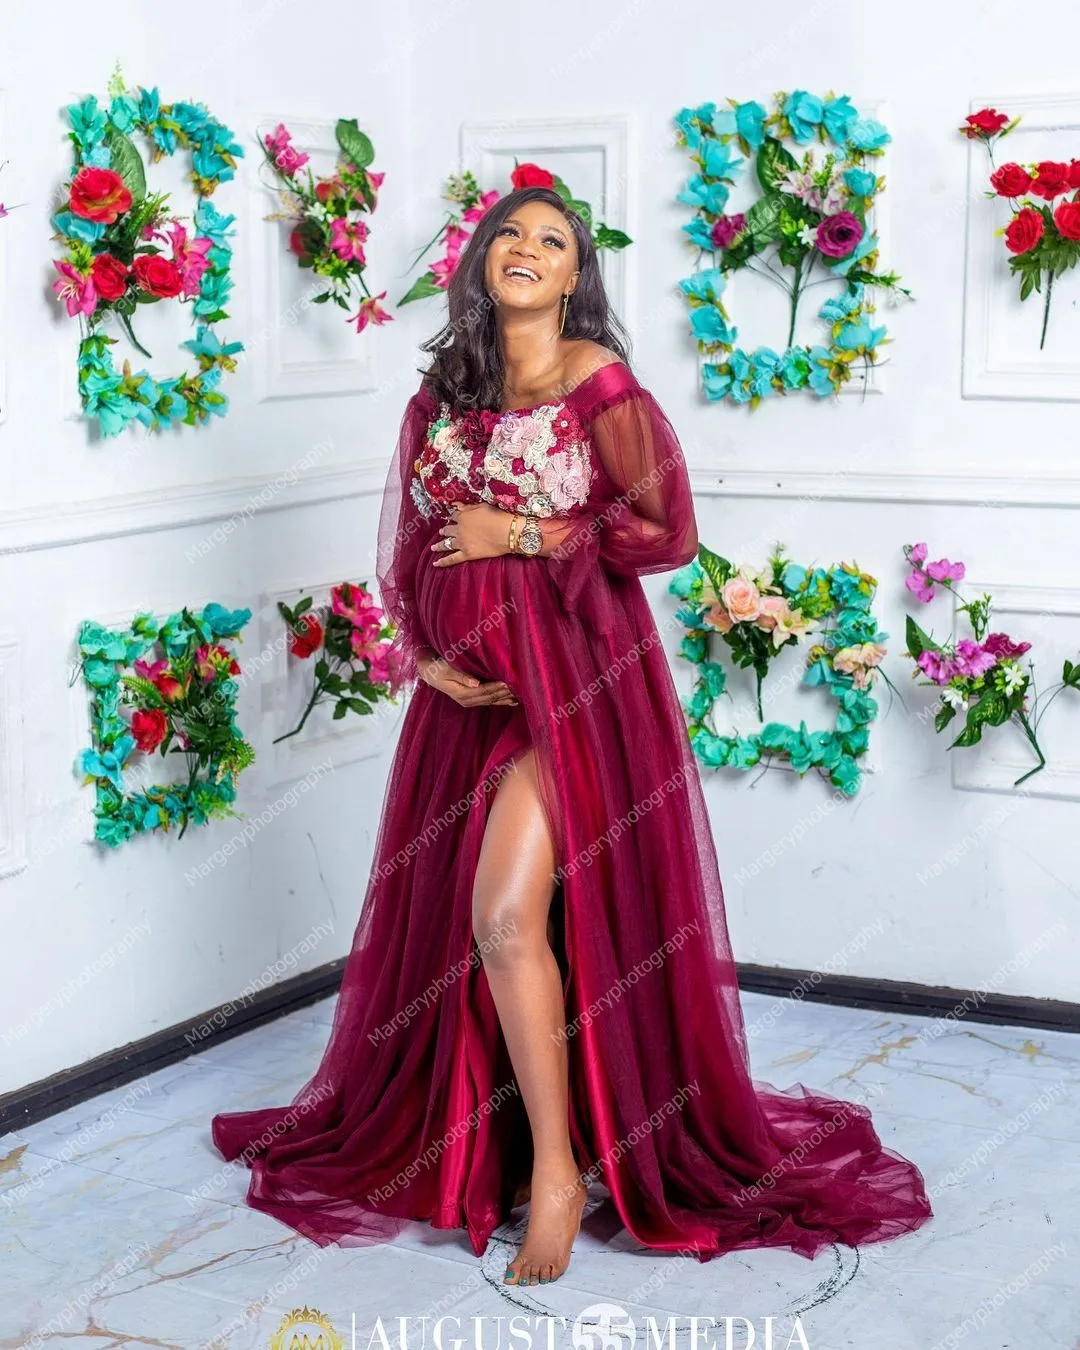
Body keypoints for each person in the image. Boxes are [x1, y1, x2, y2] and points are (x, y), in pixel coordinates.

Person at [211, 186, 932, 1289]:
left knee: (505, 918)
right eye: (511, 232)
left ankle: (558, 1169)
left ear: (574, 275)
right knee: (468, 936)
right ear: (481, 260)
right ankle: (501, 1146)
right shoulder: (438, 395)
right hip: (468, 705)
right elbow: (410, 547)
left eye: (553, 241)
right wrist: (424, 655)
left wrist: (522, 530)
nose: (527, 248)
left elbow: (666, 531)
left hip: (579, 693)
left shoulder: (598, 381)